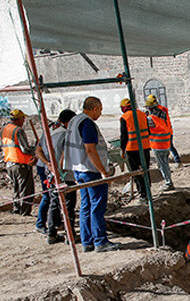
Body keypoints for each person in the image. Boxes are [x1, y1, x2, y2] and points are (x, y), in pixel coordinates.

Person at [64, 97, 119, 253]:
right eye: (100, 110)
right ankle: (100, 241)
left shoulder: (75, 121)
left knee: (86, 206)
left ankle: (87, 241)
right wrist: (103, 171)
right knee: (97, 206)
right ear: (95, 108)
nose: (101, 113)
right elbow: (90, 149)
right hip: (90, 170)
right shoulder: (87, 123)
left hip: (78, 169)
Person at [34, 109, 77, 245]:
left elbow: (38, 150)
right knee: (68, 204)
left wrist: (48, 165)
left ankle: (52, 234)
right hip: (64, 175)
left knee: (54, 203)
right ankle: (69, 235)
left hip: (51, 173)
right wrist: (58, 170)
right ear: (69, 121)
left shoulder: (49, 130)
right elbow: (64, 154)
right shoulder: (66, 134)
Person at [1, 109, 37, 215]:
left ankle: (17, 208)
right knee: (26, 189)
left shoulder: (5, 129)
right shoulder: (18, 130)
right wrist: (36, 149)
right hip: (20, 164)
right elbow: (25, 149)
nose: (24, 120)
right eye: (23, 118)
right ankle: (25, 211)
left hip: (9, 163)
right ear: (19, 119)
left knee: (17, 188)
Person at [119, 98, 151, 200]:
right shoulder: (142, 114)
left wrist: (122, 149)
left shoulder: (125, 117)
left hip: (132, 148)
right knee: (145, 170)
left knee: (136, 172)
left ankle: (143, 194)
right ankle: (148, 191)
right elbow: (148, 131)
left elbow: (124, 136)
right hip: (145, 146)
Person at [145, 94, 175, 190]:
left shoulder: (151, 119)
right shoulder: (163, 112)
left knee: (162, 165)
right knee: (165, 163)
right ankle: (169, 181)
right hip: (166, 143)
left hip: (158, 144)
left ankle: (168, 183)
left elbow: (146, 127)